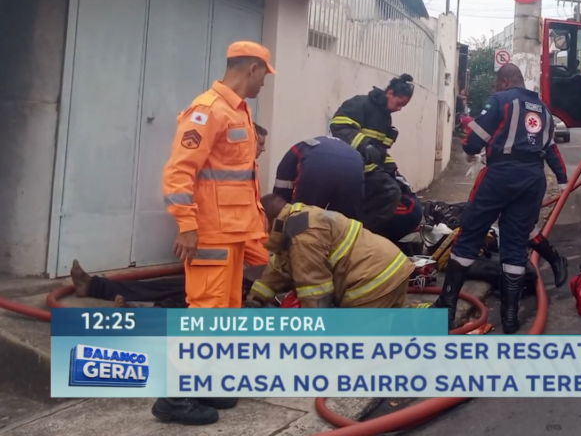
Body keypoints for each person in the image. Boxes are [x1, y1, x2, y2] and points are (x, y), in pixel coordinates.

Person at [155, 41, 273, 425]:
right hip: (209, 234)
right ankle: (174, 399)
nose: (263, 85)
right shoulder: (207, 111)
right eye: (264, 77)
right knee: (204, 315)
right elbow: (178, 173)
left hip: (233, 234)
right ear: (251, 68)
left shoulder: (236, 112)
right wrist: (186, 225)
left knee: (225, 315)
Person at [433, 64, 570, 333]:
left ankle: (447, 305)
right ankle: (509, 317)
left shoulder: (500, 100)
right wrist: (563, 180)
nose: (496, 89)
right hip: (533, 180)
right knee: (515, 244)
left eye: (497, 84)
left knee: (469, 236)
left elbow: (473, 142)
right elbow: (551, 148)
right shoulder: (543, 109)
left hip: (499, 177)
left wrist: (470, 152)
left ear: (505, 81)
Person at [246, 194, 415, 308]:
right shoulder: (296, 221)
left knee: (356, 348)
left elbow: (315, 291)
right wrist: (256, 299)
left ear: (266, 221)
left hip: (373, 281)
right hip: (389, 268)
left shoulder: (302, 236)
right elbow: (278, 270)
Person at [329, 74, 414, 236]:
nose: (399, 109)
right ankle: (363, 234)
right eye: (399, 103)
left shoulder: (385, 118)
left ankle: (361, 233)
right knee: (390, 193)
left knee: (396, 191)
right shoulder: (360, 104)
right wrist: (364, 144)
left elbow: (380, 152)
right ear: (389, 93)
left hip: (367, 170)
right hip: (349, 168)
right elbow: (338, 126)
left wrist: (393, 170)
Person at [68, 260, 266, 309]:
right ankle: (92, 286)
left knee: (189, 310)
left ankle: (138, 315)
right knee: (166, 287)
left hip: (249, 296)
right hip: (237, 281)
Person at [272, 136, 365, 220]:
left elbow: (280, 194)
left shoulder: (294, 151)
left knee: (304, 217)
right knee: (344, 222)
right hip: (355, 164)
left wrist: (281, 216)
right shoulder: (344, 148)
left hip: (318, 164)